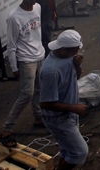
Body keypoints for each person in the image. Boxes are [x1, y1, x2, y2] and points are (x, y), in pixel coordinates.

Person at [0, 0, 45, 147]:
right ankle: (7, 128)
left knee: (39, 89)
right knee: (27, 93)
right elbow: (11, 45)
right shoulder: (14, 17)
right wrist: (14, 67)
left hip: (40, 54)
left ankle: (39, 117)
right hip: (26, 60)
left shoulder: (38, 8)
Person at [39, 30, 89, 170]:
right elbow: (45, 103)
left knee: (67, 150)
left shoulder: (68, 58)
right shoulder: (51, 72)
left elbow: (75, 77)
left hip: (68, 115)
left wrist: (77, 65)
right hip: (58, 119)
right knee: (80, 152)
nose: (76, 53)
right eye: (74, 51)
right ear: (62, 50)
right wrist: (74, 108)